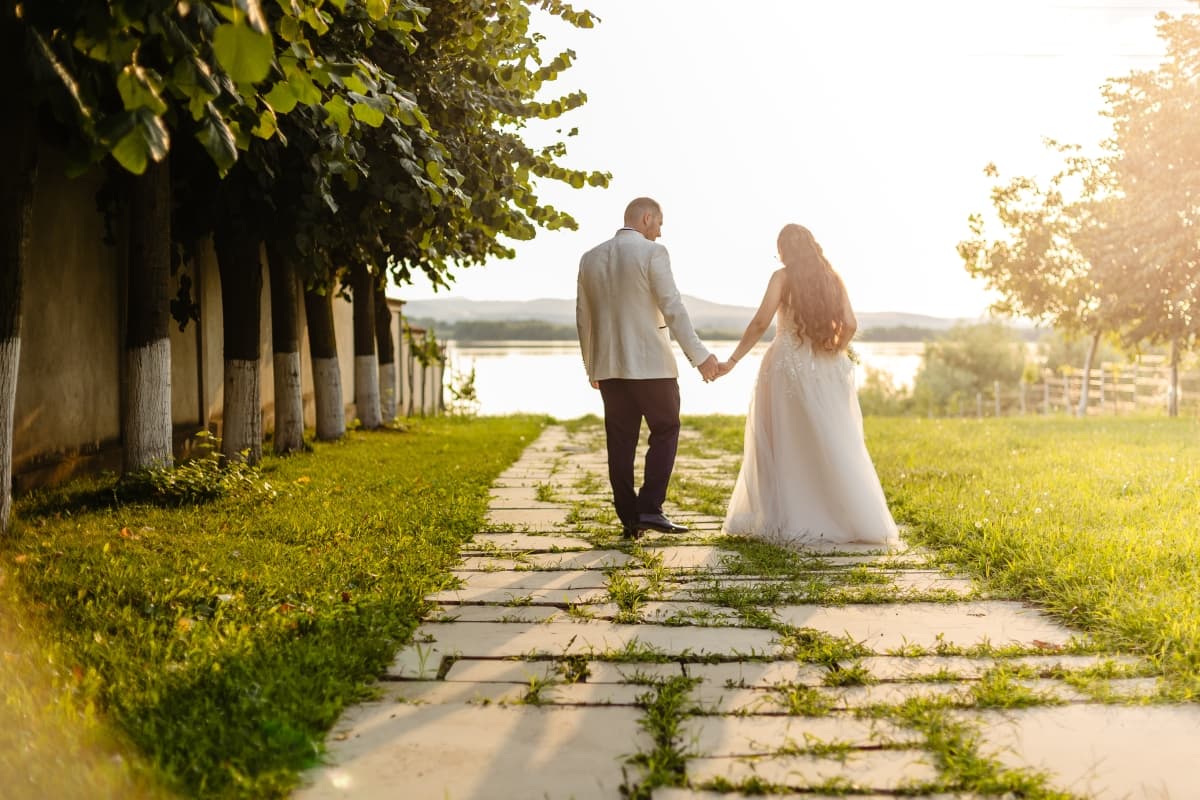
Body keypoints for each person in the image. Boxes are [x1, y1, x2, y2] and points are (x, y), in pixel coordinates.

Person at [718, 223, 900, 548]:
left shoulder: (782, 277)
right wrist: (834, 348)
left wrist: (732, 360)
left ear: (785, 249)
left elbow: (761, 322)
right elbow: (851, 323)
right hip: (826, 365)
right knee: (829, 439)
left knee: (783, 440)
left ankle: (787, 516)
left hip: (786, 365)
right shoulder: (832, 278)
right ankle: (845, 516)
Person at [576, 197, 721, 540]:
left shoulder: (590, 257)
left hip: (609, 367)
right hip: (652, 365)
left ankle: (630, 520)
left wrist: (591, 367)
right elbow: (672, 307)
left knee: (620, 443)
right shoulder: (653, 253)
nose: (660, 230)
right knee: (667, 429)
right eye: (659, 222)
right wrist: (700, 356)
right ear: (645, 218)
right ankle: (650, 509)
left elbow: (583, 318)